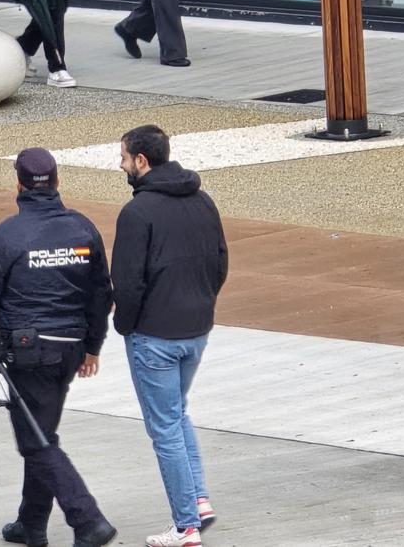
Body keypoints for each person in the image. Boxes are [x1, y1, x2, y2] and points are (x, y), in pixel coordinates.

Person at [0, 147, 117, 547]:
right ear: (57, 181)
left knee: (36, 440)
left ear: (18, 185)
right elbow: (101, 294)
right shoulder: (83, 229)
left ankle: (88, 519)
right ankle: (31, 524)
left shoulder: (8, 235)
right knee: (41, 433)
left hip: (29, 352)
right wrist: (93, 346)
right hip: (71, 346)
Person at [111, 125, 229, 547]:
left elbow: (126, 282)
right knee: (177, 414)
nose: (121, 165)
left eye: (124, 158)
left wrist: (126, 324)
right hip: (196, 329)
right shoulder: (202, 200)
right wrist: (203, 304)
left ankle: (185, 526)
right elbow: (219, 263)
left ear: (142, 161)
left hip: (154, 335)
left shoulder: (137, 213)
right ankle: (198, 501)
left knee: (164, 427)